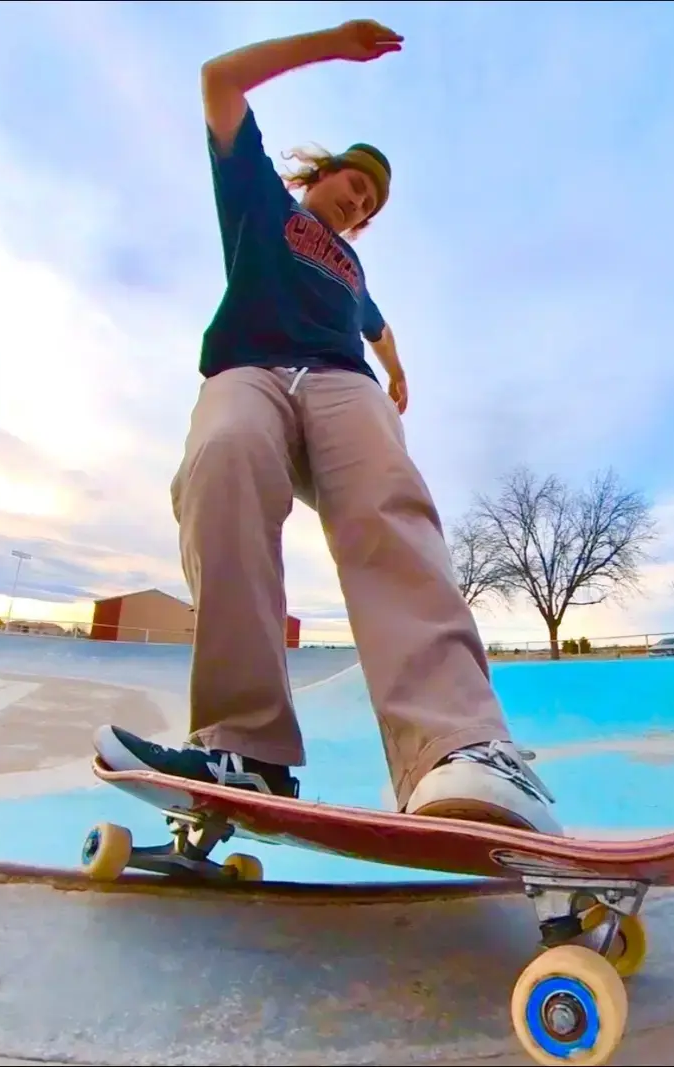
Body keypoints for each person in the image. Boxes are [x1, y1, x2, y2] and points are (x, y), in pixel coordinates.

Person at [92, 19, 562, 836]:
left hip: (343, 383)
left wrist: (400, 368)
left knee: (386, 496)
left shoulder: (352, 267)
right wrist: (331, 46)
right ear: (326, 172)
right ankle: (246, 751)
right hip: (249, 368)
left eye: (371, 202)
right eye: (354, 185)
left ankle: (459, 745)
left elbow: (377, 326)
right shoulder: (260, 199)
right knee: (222, 458)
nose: (359, 202)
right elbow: (219, 80)